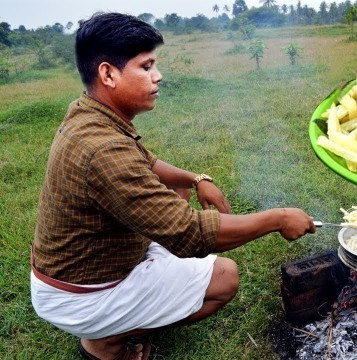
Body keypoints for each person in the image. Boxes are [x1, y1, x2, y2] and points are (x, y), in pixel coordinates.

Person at [30, 12, 316, 360]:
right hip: (83, 294)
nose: (158, 76)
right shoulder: (102, 149)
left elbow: (145, 161)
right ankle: (107, 341)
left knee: (175, 195)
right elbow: (189, 234)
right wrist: (278, 218)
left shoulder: (89, 114)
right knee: (225, 277)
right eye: (146, 66)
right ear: (108, 74)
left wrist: (195, 179)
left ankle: (114, 324)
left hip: (84, 268)